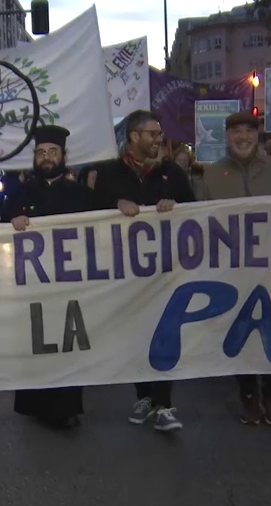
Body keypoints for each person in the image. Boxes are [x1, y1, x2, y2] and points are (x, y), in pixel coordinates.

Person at [92, 109, 194, 433]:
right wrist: (115, 205)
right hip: (125, 271)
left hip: (165, 269)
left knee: (163, 333)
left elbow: (194, 210)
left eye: (159, 134)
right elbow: (92, 215)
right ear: (134, 136)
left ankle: (164, 402)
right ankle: (144, 396)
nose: (158, 139)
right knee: (134, 334)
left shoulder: (172, 173)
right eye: (152, 134)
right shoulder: (108, 173)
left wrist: (173, 207)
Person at [197, 111, 271, 427]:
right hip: (233, 270)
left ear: (257, 135)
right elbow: (199, 223)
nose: (243, 137)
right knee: (240, 331)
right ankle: (249, 396)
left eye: (249, 131)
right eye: (236, 132)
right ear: (226, 137)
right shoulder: (211, 175)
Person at [6, 125, 97, 430]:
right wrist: (10, 221)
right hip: (30, 284)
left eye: (52, 152)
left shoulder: (82, 194)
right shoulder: (18, 193)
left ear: (63, 156)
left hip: (69, 285)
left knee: (68, 346)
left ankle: (66, 409)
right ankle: (35, 406)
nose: (46, 158)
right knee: (35, 345)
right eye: (41, 153)